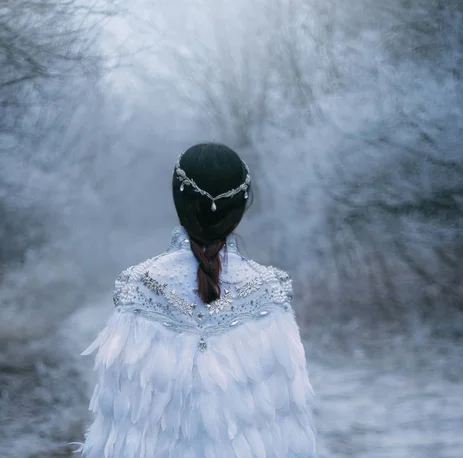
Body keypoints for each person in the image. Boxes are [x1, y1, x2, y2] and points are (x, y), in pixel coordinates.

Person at [77, 143, 317, 457]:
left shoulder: (139, 286)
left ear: (179, 199)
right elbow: (286, 430)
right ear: (241, 207)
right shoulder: (268, 291)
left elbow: (121, 428)